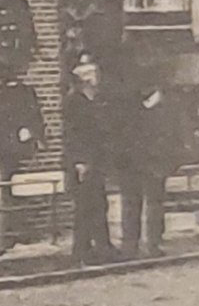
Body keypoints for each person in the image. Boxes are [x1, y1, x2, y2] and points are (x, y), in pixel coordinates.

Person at [63, 53, 115, 266]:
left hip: (96, 159)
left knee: (98, 203)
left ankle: (101, 246)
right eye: (91, 75)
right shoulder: (74, 101)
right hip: (82, 162)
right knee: (85, 206)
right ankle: (82, 250)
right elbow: (73, 134)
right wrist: (80, 161)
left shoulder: (97, 100)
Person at [116, 86, 170, 259]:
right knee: (138, 203)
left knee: (149, 203)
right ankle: (137, 244)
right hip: (136, 162)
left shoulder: (159, 109)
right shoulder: (152, 110)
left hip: (148, 162)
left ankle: (146, 244)